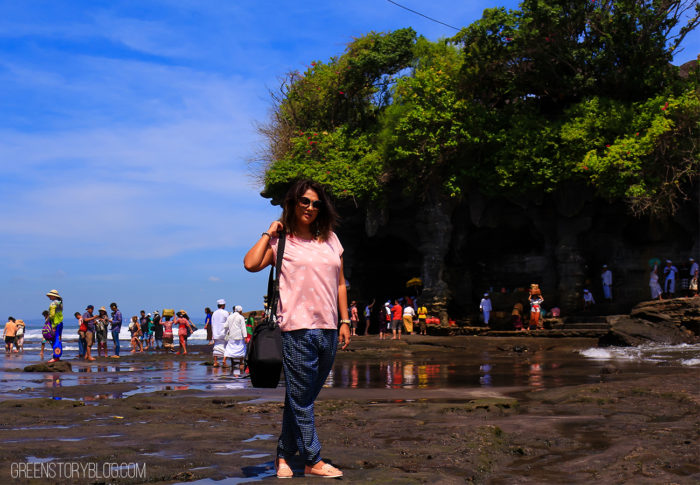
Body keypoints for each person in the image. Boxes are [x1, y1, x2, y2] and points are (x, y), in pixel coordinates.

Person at [243, 178, 350, 479]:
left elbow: (340, 283)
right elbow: (250, 264)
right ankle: (313, 459)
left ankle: (282, 456)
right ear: (291, 203)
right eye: (304, 201)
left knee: (301, 398)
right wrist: (269, 231)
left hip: (328, 328)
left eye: (316, 203)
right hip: (296, 329)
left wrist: (345, 320)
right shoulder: (282, 242)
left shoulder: (331, 239)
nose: (311, 207)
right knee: (302, 398)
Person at [223, 305, 247, 375]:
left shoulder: (230, 317)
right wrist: (245, 337)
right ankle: (241, 362)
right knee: (241, 348)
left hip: (231, 336)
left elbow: (225, 326)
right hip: (239, 336)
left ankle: (224, 360)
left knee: (229, 348)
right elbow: (243, 328)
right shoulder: (241, 317)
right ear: (240, 311)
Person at [46, 289, 64, 362]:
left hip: (55, 323)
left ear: (53, 296)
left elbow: (52, 315)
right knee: (58, 339)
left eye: (50, 296)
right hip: (60, 322)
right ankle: (57, 355)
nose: (49, 297)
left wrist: (48, 319)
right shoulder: (60, 303)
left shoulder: (53, 304)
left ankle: (55, 357)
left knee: (55, 340)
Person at [211, 299, 228, 367]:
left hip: (215, 332)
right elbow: (228, 322)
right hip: (223, 332)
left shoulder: (214, 313)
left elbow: (212, 323)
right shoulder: (225, 312)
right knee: (225, 347)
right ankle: (224, 361)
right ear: (223, 305)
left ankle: (215, 362)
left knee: (216, 347)